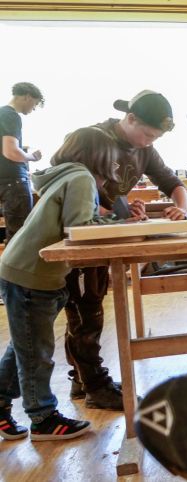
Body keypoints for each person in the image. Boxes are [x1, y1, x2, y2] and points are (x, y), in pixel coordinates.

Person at [62, 90, 187, 411]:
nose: (148, 142)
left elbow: (172, 182)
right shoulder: (88, 139)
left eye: (155, 137)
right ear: (130, 118)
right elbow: (59, 188)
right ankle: (95, 386)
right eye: (146, 133)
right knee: (83, 310)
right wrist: (109, 212)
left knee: (87, 304)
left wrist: (182, 209)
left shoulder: (145, 150)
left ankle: (83, 378)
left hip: (103, 234)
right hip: (72, 236)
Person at [0, 127, 126, 441]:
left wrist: (115, 221)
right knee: (36, 353)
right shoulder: (82, 178)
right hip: (33, 274)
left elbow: (77, 221)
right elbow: (79, 228)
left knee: (24, 347)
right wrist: (117, 224)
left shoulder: (64, 175)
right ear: (102, 157)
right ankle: (42, 418)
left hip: (26, 270)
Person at [0, 82, 44, 243]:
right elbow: (11, 151)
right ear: (27, 97)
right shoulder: (11, 115)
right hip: (14, 182)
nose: (33, 109)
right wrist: (32, 156)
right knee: (21, 236)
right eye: (35, 103)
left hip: (4, 182)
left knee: (14, 234)